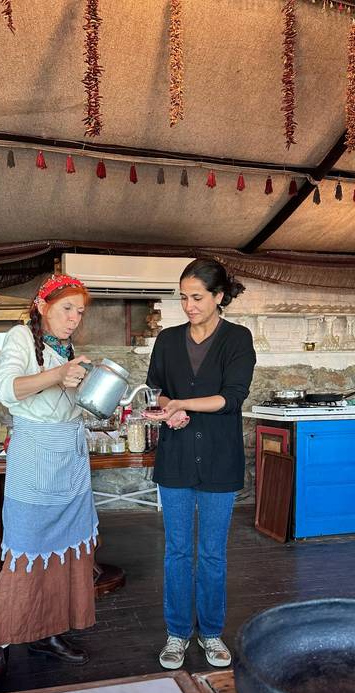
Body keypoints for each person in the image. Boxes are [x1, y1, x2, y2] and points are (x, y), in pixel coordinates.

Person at [0, 274, 98, 693]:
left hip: (69, 457)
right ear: (44, 305)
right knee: (24, 553)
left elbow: (63, 398)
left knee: (66, 552)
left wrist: (85, 387)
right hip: (35, 458)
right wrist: (58, 375)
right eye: (67, 309)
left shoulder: (67, 350)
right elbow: (4, 387)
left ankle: (50, 631)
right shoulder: (20, 337)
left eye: (79, 312)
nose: (74, 319)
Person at [144, 258, 256, 670]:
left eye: (196, 297)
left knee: (211, 553)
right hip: (174, 459)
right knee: (176, 552)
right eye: (183, 298)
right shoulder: (168, 341)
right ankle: (177, 633)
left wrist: (181, 403)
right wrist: (167, 409)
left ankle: (210, 633)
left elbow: (231, 397)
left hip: (219, 461)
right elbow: (156, 389)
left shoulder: (237, 339)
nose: (188, 306)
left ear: (218, 297)